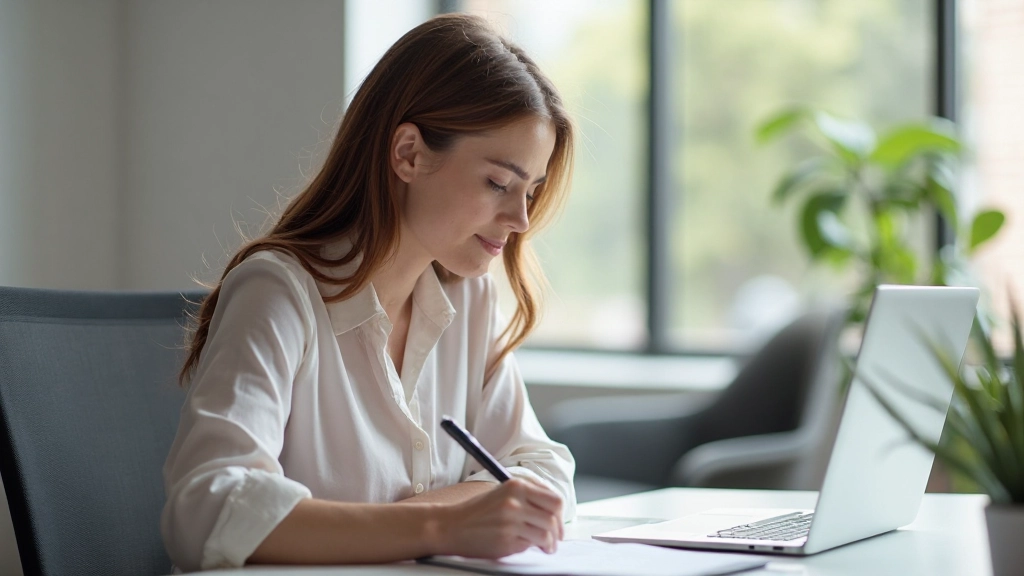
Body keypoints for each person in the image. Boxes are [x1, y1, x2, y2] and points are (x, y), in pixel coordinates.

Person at [161, 13, 578, 572]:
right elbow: (207, 510)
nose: (521, 219)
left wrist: (424, 518)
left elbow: (543, 469)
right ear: (408, 153)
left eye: (531, 191)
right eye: (499, 184)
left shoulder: (469, 303)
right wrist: (444, 525)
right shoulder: (279, 292)